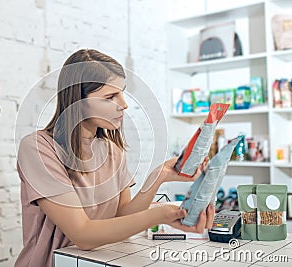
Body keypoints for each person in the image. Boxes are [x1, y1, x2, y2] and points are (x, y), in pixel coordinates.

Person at [15, 49, 214, 267]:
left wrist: (158, 177)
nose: (124, 103)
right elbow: (82, 234)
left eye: (122, 93)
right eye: (110, 97)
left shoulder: (111, 149)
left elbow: (122, 216)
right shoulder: (38, 148)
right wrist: (162, 215)